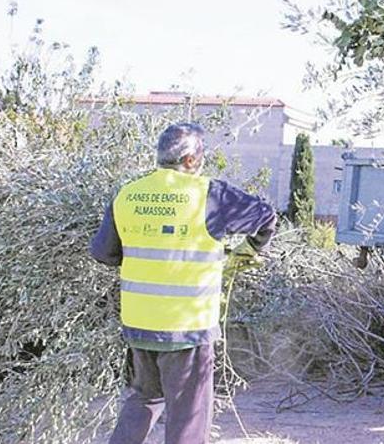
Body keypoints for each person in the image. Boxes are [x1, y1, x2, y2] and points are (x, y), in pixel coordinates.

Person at [90, 122, 277, 444]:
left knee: (143, 401)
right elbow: (266, 216)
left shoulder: (127, 195)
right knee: (187, 421)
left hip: (139, 326)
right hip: (187, 330)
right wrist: (248, 251)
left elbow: (104, 253)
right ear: (191, 160)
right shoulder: (210, 195)